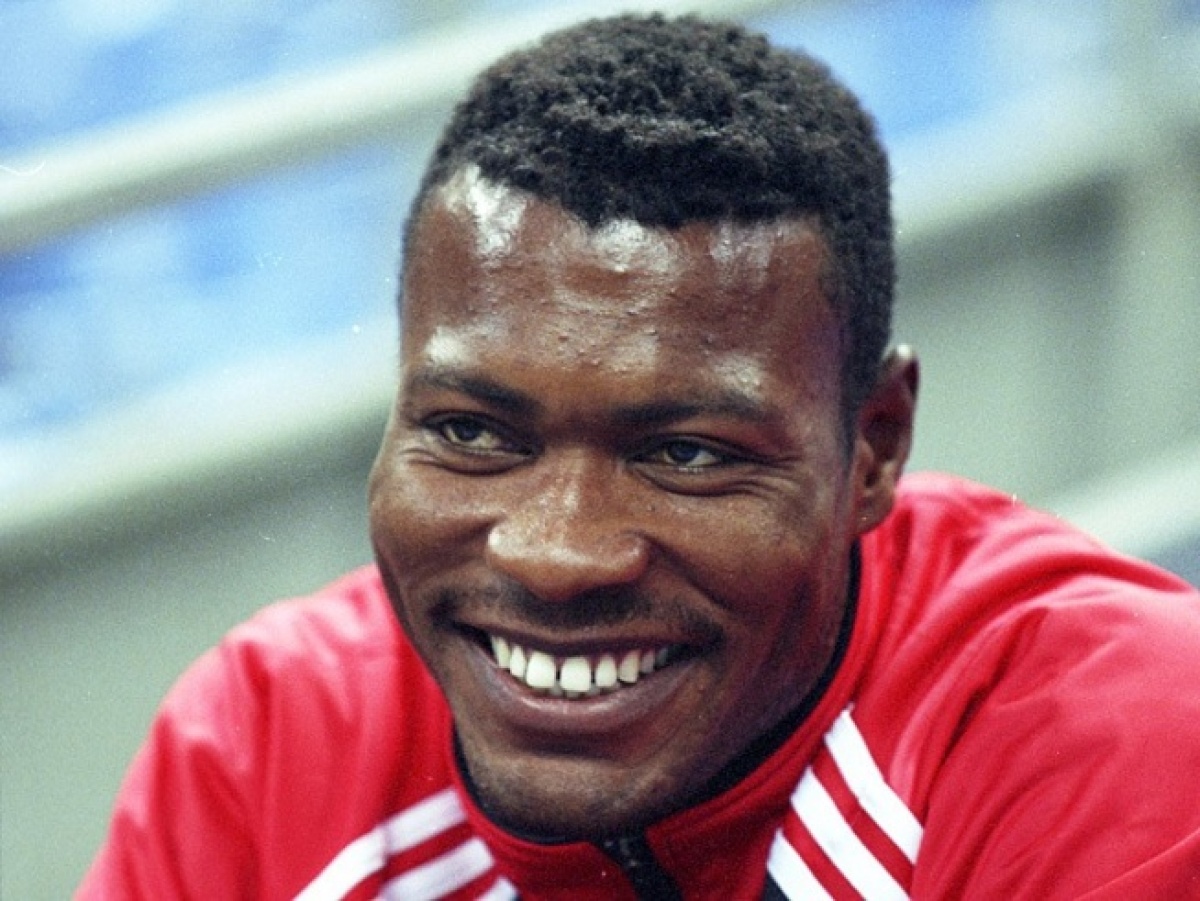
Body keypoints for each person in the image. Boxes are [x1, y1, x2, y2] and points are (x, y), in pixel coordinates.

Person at [78, 13, 1200, 900]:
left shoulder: (1110, 741)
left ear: (873, 448)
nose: (556, 554)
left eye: (685, 453)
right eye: (471, 433)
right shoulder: (267, 747)